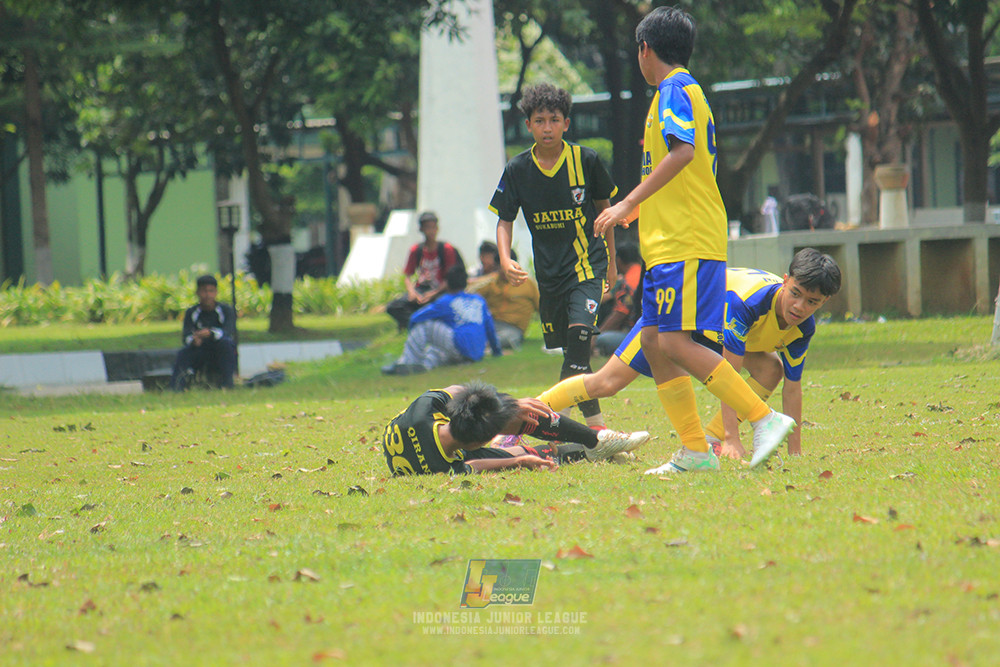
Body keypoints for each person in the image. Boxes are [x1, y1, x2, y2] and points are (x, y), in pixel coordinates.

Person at [593, 6, 795, 473]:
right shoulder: (679, 91)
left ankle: (763, 418)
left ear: (645, 49)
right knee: (651, 342)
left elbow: (683, 152)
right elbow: (680, 167)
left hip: (685, 241)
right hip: (671, 241)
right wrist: (635, 208)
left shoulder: (674, 89)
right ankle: (695, 453)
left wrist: (626, 204)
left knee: (676, 343)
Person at [537, 249, 842, 462]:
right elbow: (728, 374)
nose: (800, 307)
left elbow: (793, 388)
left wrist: (795, 454)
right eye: (796, 293)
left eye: (812, 302)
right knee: (607, 383)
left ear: (824, 302)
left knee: (771, 370)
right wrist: (733, 439)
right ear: (786, 280)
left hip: (711, 332)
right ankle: (528, 414)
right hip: (679, 316)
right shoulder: (747, 303)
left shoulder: (803, 329)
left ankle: (708, 439)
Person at [489, 81, 618, 431]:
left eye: (554, 119)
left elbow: (606, 215)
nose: (547, 127)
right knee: (574, 357)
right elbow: (504, 220)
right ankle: (597, 430)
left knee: (579, 344)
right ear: (528, 125)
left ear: (566, 124)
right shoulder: (517, 170)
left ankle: (548, 426)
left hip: (587, 266)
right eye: (540, 120)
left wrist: (613, 265)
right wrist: (504, 259)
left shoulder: (586, 160)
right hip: (550, 277)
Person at [381, 381, 651, 475]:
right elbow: (474, 466)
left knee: (508, 409)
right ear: (481, 444)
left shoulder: (423, 410)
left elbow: (463, 393)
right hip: (447, 452)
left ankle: (596, 440)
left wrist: (506, 403)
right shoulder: (441, 465)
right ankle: (591, 449)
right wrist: (520, 460)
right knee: (521, 453)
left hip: (437, 446)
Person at [381, 265, 500, 375]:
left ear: (447, 283)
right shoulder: (478, 300)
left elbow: (415, 318)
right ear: (465, 283)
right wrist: (496, 351)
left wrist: (411, 332)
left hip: (460, 345)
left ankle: (407, 363)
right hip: (476, 353)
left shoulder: (446, 300)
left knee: (424, 325)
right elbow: (490, 327)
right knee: (435, 350)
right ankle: (425, 365)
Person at [385, 211, 465, 331]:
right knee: (394, 307)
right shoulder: (416, 250)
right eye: (427, 228)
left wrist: (434, 293)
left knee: (445, 306)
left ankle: (420, 323)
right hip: (421, 290)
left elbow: (450, 278)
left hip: (440, 291)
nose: (431, 231)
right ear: (421, 229)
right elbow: (407, 275)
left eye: (433, 228)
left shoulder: (446, 249)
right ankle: (418, 325)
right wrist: (412, 292)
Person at [169, 274, 238, 391]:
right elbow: (186, 336)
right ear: (197, 292)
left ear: (216, 292)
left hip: (219, 349)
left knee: (227, 344)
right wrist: (194, 340)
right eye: (204, 291)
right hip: (200, 350)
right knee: (184, 352)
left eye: (211, 291)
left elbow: (228, 331)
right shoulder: (192, 312)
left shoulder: (226, 310)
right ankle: (176, 387)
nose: (207, 295)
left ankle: (227, 385)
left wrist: (210, 333)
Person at [470, 248, 539, 351]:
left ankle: (484, 346)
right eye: (500, 267)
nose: (503, 271)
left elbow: (542, 307)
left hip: (514, 328)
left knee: (506, 338)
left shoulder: (528, 284)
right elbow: (469, 291)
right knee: (470, 333)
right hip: (492, 324)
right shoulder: (491, 281)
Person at [594, 242, 643, 356]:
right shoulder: (644, 273)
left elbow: (619, 314)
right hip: (655, 332)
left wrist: (595, 337)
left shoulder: (627, 282)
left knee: (603, 340)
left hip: (636, 334)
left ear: (619, 261)